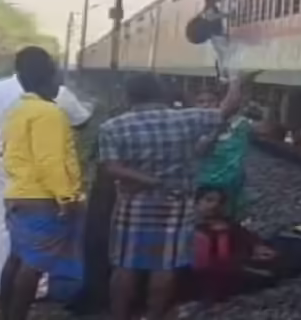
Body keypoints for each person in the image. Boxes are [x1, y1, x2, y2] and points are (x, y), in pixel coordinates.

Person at [98, 70, 261, 320]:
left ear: (128, 96)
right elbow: (229, 108)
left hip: (133, 205)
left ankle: (119, 316)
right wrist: (236, 81)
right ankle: (154, 315)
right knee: (164, 265)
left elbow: (111, 168)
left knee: (125, 265)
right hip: (175, 204)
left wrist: (148, 180)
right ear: (161, 93)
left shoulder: (112, 127)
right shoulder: (186, 118)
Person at [0, 47, 93, 299]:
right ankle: (37, 287)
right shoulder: (57, 94)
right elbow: (81, 122)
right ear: (50, 69)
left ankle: (0, 284)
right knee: (43, 226)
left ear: (16, 67)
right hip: (38, 170)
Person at [0, 47, 86, 320]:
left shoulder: (18, 110)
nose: (61, 80)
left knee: (17, 258)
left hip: (18, 194)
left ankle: (6, 314)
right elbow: (50, 161)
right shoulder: (49, 113)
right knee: (34, 266)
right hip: (42, 199)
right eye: (58, 74)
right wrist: (66, 198)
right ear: (49, 77)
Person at [194, 89, 269, 220]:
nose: (206, 105)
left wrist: (261, 111)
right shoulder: (192, 125)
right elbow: (199, 151)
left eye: (211, 101)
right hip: (204, 183)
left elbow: (266, 129)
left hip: (233, 184)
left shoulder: (239, 124)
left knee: (230, 221)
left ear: (220, 102)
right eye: (201, 101)